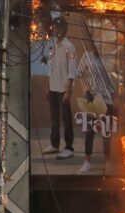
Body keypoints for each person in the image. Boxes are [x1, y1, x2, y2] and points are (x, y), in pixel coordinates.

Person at [42, 16, 77, 160]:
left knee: (66, 119)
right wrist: (47, 87)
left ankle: (69, 148)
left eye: (57, 27)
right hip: (53, 88)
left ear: (63, 29)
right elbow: (51, 69)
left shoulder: (70, 47)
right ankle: (54, 144)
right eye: (54, 28)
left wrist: (68, 91)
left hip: (63, 89)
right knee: (54, 118)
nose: (54, 30)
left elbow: (72, 71)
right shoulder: (53, 46)